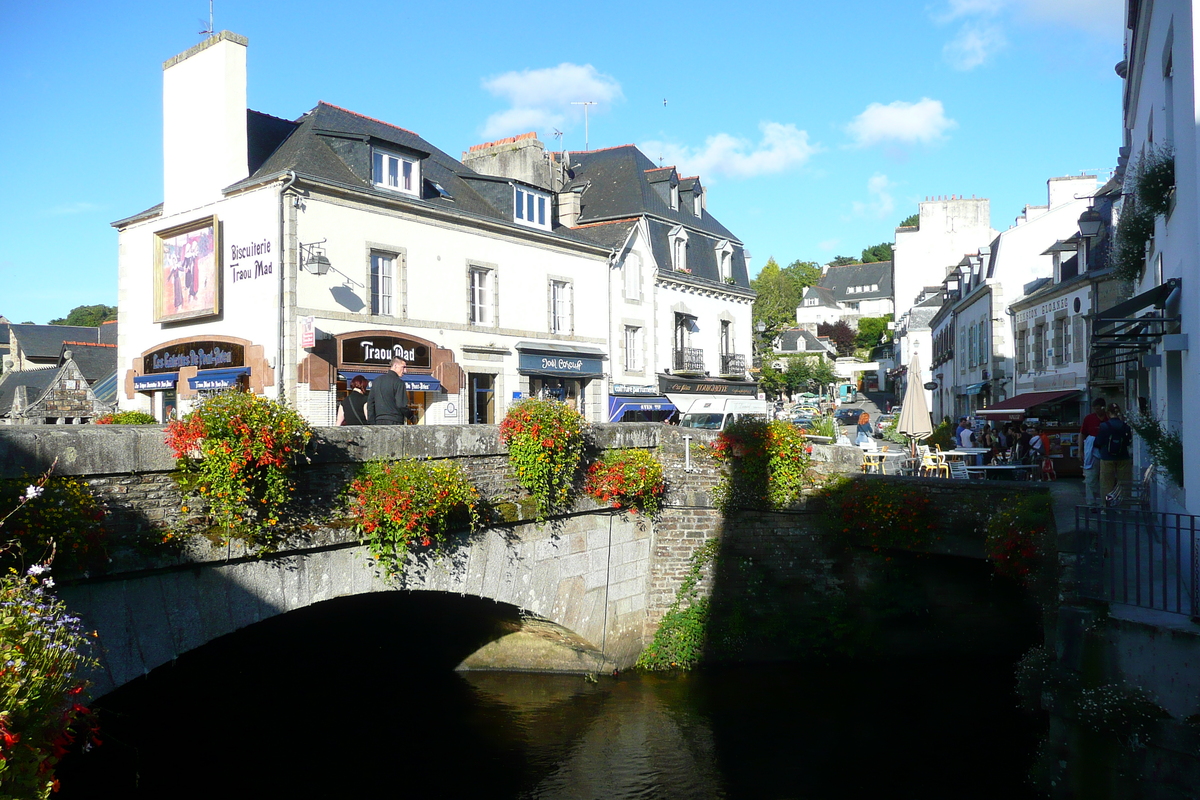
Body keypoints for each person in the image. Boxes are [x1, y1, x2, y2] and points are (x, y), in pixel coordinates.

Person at [1096, 403, 1134, 499]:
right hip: (1123, 457)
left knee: (1106, 483)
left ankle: (1106, 507)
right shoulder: (1125, 426)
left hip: (1106, 457)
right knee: (1124, 484)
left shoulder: (1103, 426)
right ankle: (1124, 507)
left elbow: (1098, 442)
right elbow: (1128, 442)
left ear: (1108, 413)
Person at [367, 357, 415, 425]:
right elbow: (401, 405)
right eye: (403, 367)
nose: (405, 371)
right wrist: (411, 416)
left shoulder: (376, 381)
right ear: (395, 366)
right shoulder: (399, 383)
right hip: (395, 421)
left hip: (379, 421)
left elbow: (370, 403)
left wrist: (371, 422)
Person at [1080, 397, 1107, 506]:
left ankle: (1104, 502)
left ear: (1103, 407)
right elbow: (1082, 434)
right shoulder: (1089, 418)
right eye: (1095, 409)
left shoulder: (1109, 417)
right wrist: (1080, 450)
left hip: (1106, 451)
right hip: (1092, 451)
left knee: (1105, 478)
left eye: (1098, 408)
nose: (1096, 411)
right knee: (1090, 477)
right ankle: (1091, 502)